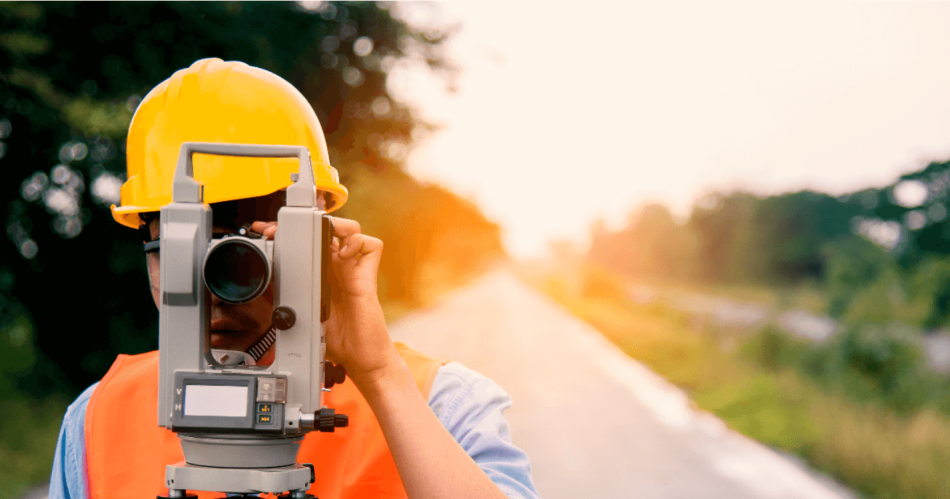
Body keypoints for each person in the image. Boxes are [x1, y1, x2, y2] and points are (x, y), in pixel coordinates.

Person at [48, 58, 539, 499]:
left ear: (315, 241)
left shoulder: (439, 403)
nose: (216, 290)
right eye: (180, 251)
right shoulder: (95, 420)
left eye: (242, 255)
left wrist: (382, 377)